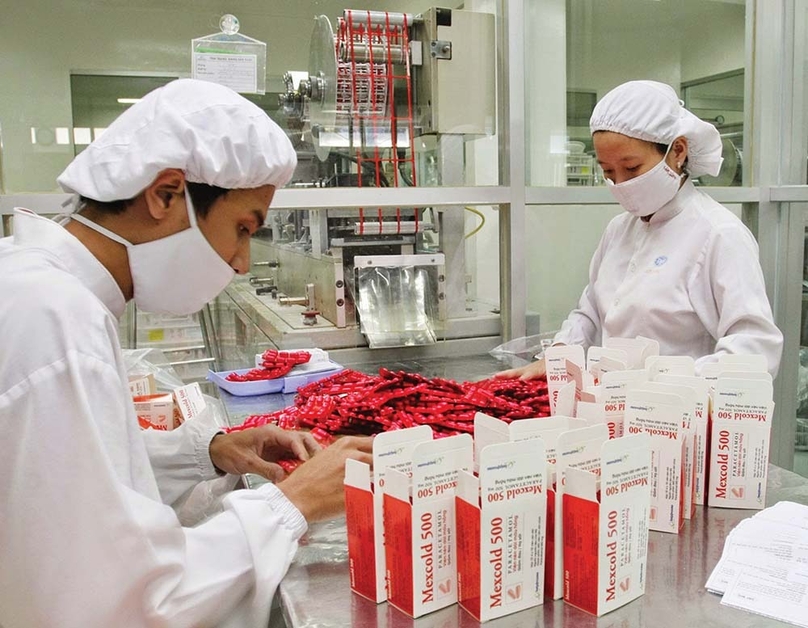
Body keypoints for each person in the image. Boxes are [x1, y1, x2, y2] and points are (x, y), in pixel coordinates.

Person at [0, 79, 373, 628]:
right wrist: (292, 504)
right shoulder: (56, 321)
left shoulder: (41, 289)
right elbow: (123, 603)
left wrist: (208, 451)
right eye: (242, 229)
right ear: (166, 194)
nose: (242, 262)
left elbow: (66, 478)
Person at [498, 80, 783, 380]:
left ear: (678, 151)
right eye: (607, 171)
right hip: (614, 410)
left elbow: (755, 350)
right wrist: (557, 357)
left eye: (632, 168)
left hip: (681, 417)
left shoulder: (719, 234)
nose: (620, 183)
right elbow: (591, 311)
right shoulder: (619, 230)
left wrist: (661, 386)